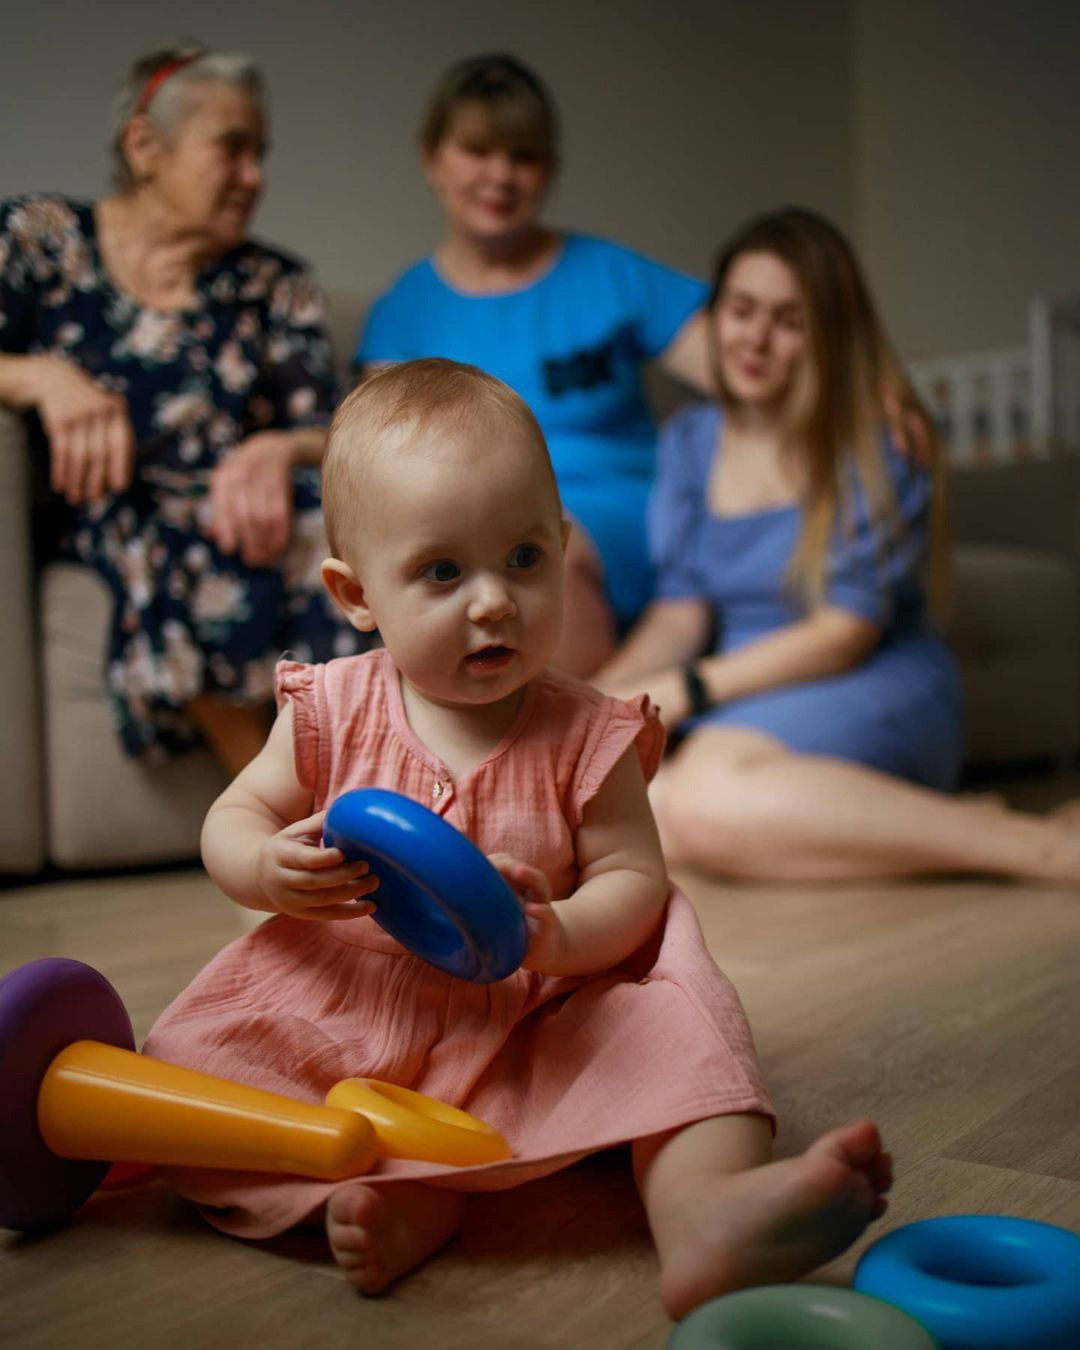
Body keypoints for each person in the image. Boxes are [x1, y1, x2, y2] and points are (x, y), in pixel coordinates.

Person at [143, 359, 892, 1318]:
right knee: (191, 1068)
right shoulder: (330, 707)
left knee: (678, 1026)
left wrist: (560, 930)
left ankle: (705, 1209)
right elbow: (235, 815)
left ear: (563, 546)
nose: (494, 601)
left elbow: (636, 877)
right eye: (442, 572)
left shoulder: (590, 733)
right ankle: (401, 1199)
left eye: (525, 558)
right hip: (348, 1001)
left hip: (536, 1019)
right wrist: (261, 864)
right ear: (355, 593)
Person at [595, 207, 1080, 884]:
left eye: (789, 321)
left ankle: (1030, 846)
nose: (755, 339)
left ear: (827, 333)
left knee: (696, 798)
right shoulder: (688, 443)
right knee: (644, 805)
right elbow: (680, 614)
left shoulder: (877, 443)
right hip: (746, 701)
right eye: (741, 310)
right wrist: (589, 698)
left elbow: (844, 635)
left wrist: (688, 688)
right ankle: (939, 825)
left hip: (869, 682)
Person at [0, 44, 366, 772]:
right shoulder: (41, 239)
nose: (254, 177)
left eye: (260, 155)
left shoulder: (274, 283)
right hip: (115, 507)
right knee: (174, 539)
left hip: (249, 506)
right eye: (232, 149)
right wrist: (38, 376)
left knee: (350, 540)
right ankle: (287, 803)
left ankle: (371, 773)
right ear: (145, 145)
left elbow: (338, 430)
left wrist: (275, 449)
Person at [354, 53, 714, 676]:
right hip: (474, 517)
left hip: (619, 510)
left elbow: (749, 364)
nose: (501, 175)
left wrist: (869, 390)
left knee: (541, 551)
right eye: (478, 151)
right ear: (432, 157)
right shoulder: (402, 311)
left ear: (549, 169)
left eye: (523, 157)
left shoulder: (610, 273)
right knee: (491, 546)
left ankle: (577, 733)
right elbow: (377, 464)